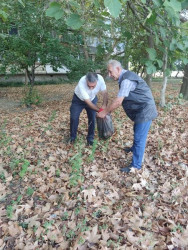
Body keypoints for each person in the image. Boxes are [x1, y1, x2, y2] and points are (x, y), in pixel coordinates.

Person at [97, 60, 158, 173]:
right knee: (137, 132)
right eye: (108, 72)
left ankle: (136, 166)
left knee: (140, 138)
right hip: (140, 110)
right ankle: (133, 149)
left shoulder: (126, 80)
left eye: (111, 72)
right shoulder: (125, 77)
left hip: (145, 110)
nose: (109, 75)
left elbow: (118, 101)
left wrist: (105, 111)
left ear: (118, 69)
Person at [69, 72, 108, 145]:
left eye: (93, 86)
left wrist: (104, 105)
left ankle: (90, 138)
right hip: (78, 100)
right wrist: (100, 110)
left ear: (97, 81)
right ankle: (72, 137)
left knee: (92, 118)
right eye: (89, 85)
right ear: (86, 80)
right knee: (74, 117)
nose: (91, 88)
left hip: (92, 98)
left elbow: (105, 93)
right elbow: (89, 103)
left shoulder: (100, 79)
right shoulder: (82, 81)